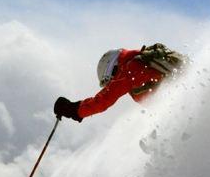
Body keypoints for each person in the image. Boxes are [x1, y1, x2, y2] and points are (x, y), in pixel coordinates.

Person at [54, 43, 187, 122]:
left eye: (111, 81)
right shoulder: (139, 62)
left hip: (181, 105)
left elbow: (104, 99)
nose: (112, 84)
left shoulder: (130, 69)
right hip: (180, 102)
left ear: (113, 69)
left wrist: (74, 109)